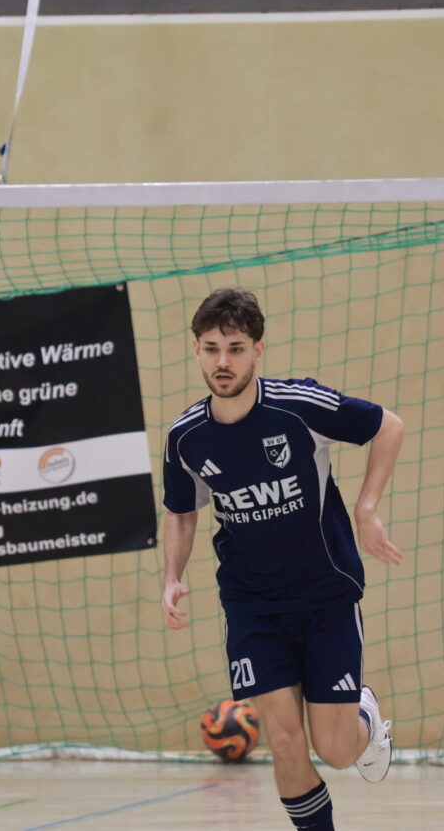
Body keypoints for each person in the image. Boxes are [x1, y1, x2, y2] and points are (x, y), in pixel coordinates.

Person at [161, 289, 404, 831]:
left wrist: (366, 508)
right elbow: (181, 510)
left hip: (326, 595)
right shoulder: (186, 437)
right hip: (252, 605)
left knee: (335, 750)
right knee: (285, 740)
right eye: (211, 348)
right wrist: (171, 577)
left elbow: (389, 426)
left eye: (235, 348)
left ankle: (364, 718)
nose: (223, 361)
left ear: (258, 350)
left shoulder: (299, 407)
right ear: (196, 350)